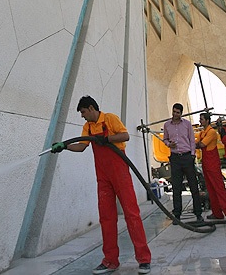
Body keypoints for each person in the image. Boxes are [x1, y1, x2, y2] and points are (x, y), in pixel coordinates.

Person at [51, 96, 151, 275]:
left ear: (91, 108)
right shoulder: (88, 127)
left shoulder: (110, 118)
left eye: (83, 112)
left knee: (132, 214)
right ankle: (110, 261)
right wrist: (64, 146)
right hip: (103, 178)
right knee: (106, 218)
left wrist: (107, 139)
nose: (82, 116)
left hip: (120, 174)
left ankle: (144, 260)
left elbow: (125, 136)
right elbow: (81, 146)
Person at [163, 103, 203, 223]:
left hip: (187, 157)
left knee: (193, 186)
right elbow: (165, 139)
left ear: (181, 113)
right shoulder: (167, 125)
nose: (175, 114)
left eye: (177, 112)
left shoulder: (187, 124)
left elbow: (192, 140)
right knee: (176, 187)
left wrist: (192, 155)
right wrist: (169, 144)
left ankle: (198, 213)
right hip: (175, 158)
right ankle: (177, 215)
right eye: (174, 112)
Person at [195, 112, 226, 219]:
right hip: (206, 163)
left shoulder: (211, 132)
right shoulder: (202, 133)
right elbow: (197, 143)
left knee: (219, 187)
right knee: (210, 188)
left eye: (202, 119)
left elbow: (201, 144)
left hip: (212, 163)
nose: (200, 121)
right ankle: (217, 213)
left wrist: (196, 144)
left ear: (207, 120)